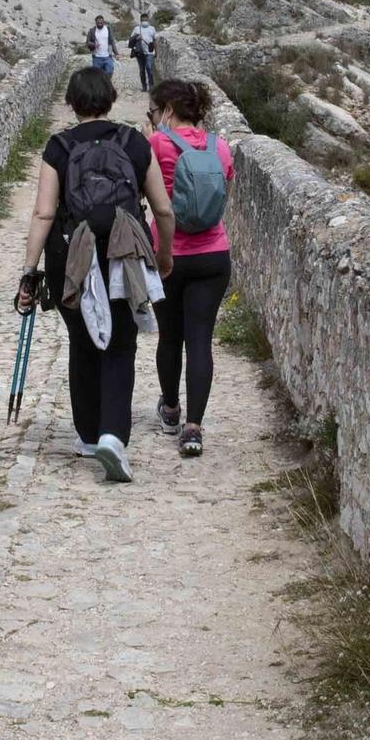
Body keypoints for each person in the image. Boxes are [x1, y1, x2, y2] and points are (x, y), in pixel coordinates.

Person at [18, 66, 175, 483]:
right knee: (120, 345)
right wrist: (163, 255)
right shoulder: (135, 143)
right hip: (125, 253)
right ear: (109, 98)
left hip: (71, 256)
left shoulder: (59, 147)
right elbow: (162, 208)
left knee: (83, 341)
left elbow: (44, 212)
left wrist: (29, 271)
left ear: (71, 103)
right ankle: (112, 436)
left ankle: (88, 435)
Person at [145, 80, 235, 458]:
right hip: (214, 255)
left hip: (168, 254)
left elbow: (145, 191)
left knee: (170, 336)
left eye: (154, 111)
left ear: (167, 111)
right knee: (201, 341)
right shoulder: (222, 148)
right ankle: (194, 428)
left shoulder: (158, 145)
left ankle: (170, 410)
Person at [127, 14, 158, 92]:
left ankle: (151, 85)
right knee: (141, 70)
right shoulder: (136, 29)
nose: (144, 21)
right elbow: (131, 40)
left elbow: (154, 40)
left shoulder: (152, 29)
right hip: (139, 52)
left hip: (150, 52)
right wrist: (137, 38)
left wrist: (156, 51)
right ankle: (144, 86)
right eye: (143, 20)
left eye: (146, 20)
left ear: (148, 20)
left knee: (149, 68)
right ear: (140, 21)